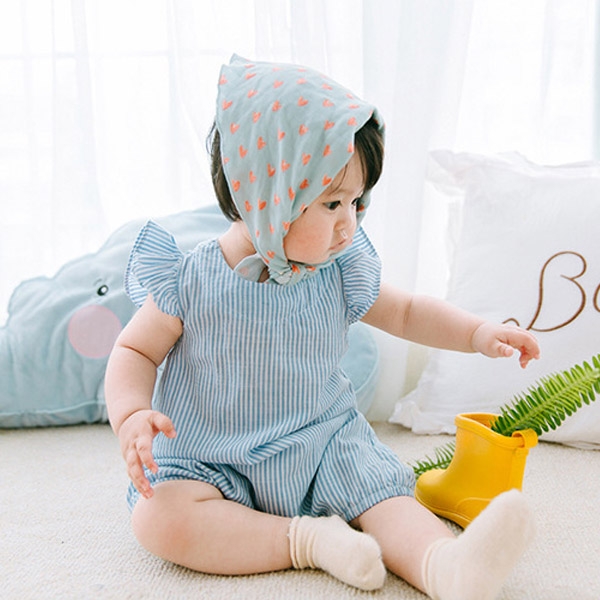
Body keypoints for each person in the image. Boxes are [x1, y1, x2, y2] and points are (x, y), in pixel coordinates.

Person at [105, 55, 540, 599]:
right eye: (332, 203)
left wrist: (475, 333)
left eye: (356, 201)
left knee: (383, 496)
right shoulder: (189, 279)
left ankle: (445, 566)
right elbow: (135, 351)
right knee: (159, 518)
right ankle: (308, 541)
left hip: (322, 446)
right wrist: (131, 415)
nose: (348, 223)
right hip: (211, 457)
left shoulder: (337, 269)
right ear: (267, 197)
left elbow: (406, 312)